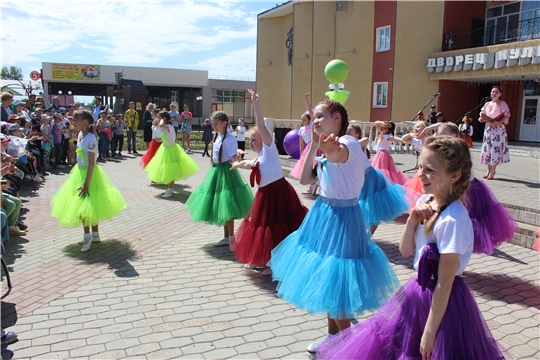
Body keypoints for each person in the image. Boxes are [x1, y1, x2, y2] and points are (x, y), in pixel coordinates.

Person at [317, 136, 508, 360]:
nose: (420, 174)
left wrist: (429, 332)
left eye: (430, 170)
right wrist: (412, 219)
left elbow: (444, 284)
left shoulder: (453, 220)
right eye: (420, 167)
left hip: (443, 305)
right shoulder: (427, 201)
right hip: (417, 292)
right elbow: (406, 250)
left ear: (453, 176)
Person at [268, 100, 399, 354]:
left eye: (320, 116)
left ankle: (353, 346)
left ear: (337, 117)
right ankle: (333, 336)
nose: (314, 121)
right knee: (329, 279)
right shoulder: (326, 148)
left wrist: (328, 149)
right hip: (324, 215)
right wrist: (315, 146)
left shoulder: (347, 142)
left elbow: (340, 153)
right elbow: (304, 178)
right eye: (313, 117)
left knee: (338, 284)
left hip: (343, 217)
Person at [230, 90, 307, 275]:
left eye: (254, 139)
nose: (251, 143)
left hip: (278, 194)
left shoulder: (270, 150)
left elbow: (261, 126)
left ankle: (275, 264)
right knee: (262, 229)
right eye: (250, 140)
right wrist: (238, 163)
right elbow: (251, 164)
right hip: (265, 195)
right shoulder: (260, 157)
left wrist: (256, 104)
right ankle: (263, 260)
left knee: (277, 229)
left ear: (264, 140)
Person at [50, 110, 127, 252]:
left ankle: (88, 236)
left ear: (85, 122)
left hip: (88, 174)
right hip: (79, 172)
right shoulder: (80, 135)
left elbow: (92, 163)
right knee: (86, 205)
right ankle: (95, 234)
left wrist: (86, 184)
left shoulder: (91, 138)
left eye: (76, 120)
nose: (73, 122)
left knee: (85, 205)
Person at [185, 111, 253, 247]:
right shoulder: (217, 136)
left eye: (216, 124)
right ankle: (226, 237)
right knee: (222, 205)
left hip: (226, 172)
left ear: (224, 123)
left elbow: (233, 157)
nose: (214, 126)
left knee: (227, 204)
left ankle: (232, 238)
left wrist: (237, 160)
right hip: (216, 171)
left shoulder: (230, 139)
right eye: (213, 123)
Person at [347, 125, 413, 234]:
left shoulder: (360, 143)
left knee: (373, 207)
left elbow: (366, 140)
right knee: (361, 206)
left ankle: (368, 235)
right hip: (358, 179)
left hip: (370, 177)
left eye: (349, 132)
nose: (346, 133)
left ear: (356, 135)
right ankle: (361, 233)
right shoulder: (345, 146)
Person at [144, 111, 199, 198]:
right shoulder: (164, 127)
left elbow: (161, 125)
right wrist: (157, 122)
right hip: (165, 149)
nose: (159, 119)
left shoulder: (169, 127)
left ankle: (170, 189)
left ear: (164, 118)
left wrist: (160, 121)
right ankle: (170, 187)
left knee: (171, 169)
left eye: (160, 117)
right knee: (166, 168)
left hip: (171, 150)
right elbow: (159, 132)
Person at [479, 86, 510, 180]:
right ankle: (488, 170)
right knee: (487, 148)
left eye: (496, 92)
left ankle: (493, 170)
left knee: (495, 148)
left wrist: (499, 122)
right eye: (492, 92)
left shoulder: (502, 103)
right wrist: (483, 118)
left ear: (500, 94)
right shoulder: (487, 104)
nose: (494, 93)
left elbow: (507, 115)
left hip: (498, 129)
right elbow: (482, 114)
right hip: (488, 128)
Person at [372, 120, 408, 185]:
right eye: (382, 127)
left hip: (382, 155)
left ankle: (382, 181)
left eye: (385, 128)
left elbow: (394, 138)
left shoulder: (387, 136)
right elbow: (376, 123)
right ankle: (380, 181)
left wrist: (402, 140)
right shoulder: (383, 134)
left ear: (389, 130)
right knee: (379, 169)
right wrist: (382, 123)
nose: (382, 128)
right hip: (379, 154)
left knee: (382, 169)